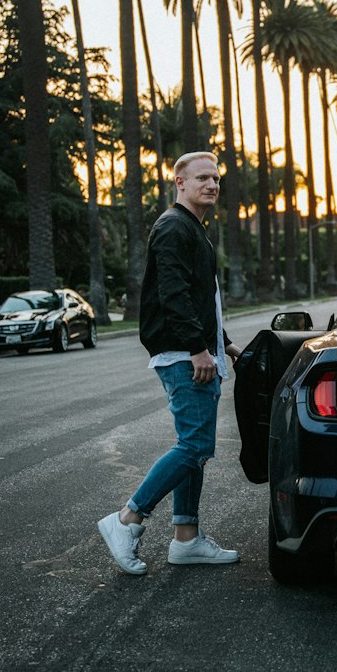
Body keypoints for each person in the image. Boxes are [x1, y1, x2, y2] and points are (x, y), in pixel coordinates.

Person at [98, 151, 242, 575]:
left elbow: (202, 301)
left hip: (198, 351)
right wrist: (199, 349)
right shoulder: (173, 226)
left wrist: (225, 345)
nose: (212, 184)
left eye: (215, 178)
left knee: (195, 451)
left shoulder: (194, 229)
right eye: (202, 178)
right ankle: (127, 519)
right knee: (194, 446)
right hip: (185, 355)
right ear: (179, 182)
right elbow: (173, 295)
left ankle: (186, 539)